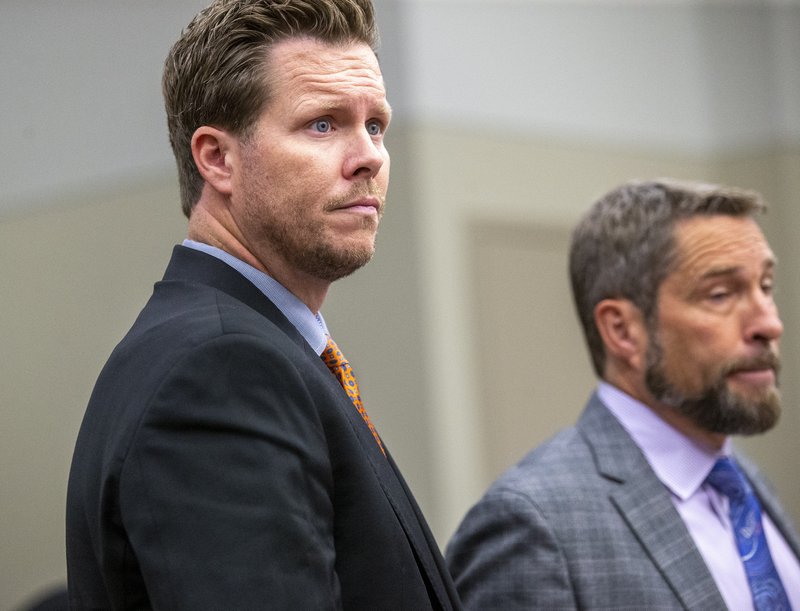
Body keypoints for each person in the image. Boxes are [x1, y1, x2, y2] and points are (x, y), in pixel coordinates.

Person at [66, 1, 461, 609]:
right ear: (217, 159)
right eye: (323, 124)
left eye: (376, 125)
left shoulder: (255, 349)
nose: (370, 157)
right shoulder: (219, 369)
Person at [446, 178, 800, 609]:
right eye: (720, 294)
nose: (769, 324)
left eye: (766, 286)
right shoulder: (533, 524)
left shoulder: (743, 483)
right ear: (622, 330)